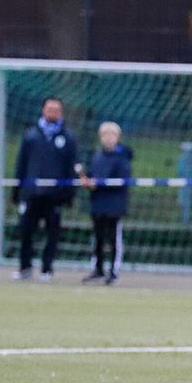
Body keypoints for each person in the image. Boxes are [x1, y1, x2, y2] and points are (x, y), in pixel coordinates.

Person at [11, 97, 80, 282]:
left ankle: (47, 269)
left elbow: (71, 166)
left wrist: (69, 195)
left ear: (61, 112)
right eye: (49, 109)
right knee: (26, 232)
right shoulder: (31, 135)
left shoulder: (68, 137)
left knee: (52, 235)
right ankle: (25, 267)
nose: (52, 112)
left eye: (56, 109)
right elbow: (21, 164)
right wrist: (17, 192)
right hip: (32, 194)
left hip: (54, 196)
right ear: (43, 110)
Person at [80, 121, 133, 285]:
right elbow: (90, 175)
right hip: (98, 204)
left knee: (113, 239)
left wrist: (99, 183)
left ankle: (113, 271)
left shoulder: (122, 157)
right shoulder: (97, 156)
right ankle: (98, 269)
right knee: (98, 239)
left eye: (112, 134)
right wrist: (86, 181)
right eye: (104, 134)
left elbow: (121, 180)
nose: (108, 138)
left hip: (114, 205)